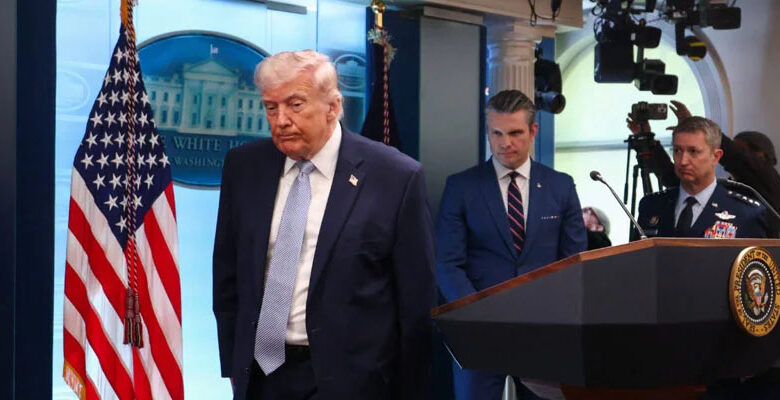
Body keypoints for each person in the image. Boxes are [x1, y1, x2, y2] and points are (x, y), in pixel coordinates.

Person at [212, 50, 435, 400]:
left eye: (295, 105)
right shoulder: (244, 167)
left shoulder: (394, 177)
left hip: (353, 382)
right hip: (261, 376)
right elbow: (227, 276)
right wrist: (234, 366)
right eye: (271, 107)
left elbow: (416, 304)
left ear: (332, 107)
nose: (281, 120)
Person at [436, 89, 587, 400]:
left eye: (515, 133)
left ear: (533, 131)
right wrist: (477, 315)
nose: (505, 142)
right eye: (497, 133)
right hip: (479, 330)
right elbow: (447, 263)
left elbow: (574, 262)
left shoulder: (560, 186)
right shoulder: (461, 187)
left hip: (543, 330)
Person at [627, 100, 780, 237]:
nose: (684, 160)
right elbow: (672, 176)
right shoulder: (727, 187)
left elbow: (738, 159)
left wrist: (699, 128)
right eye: (678, 150)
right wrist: (648, 141)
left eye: (694, 151)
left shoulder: (768, 182)